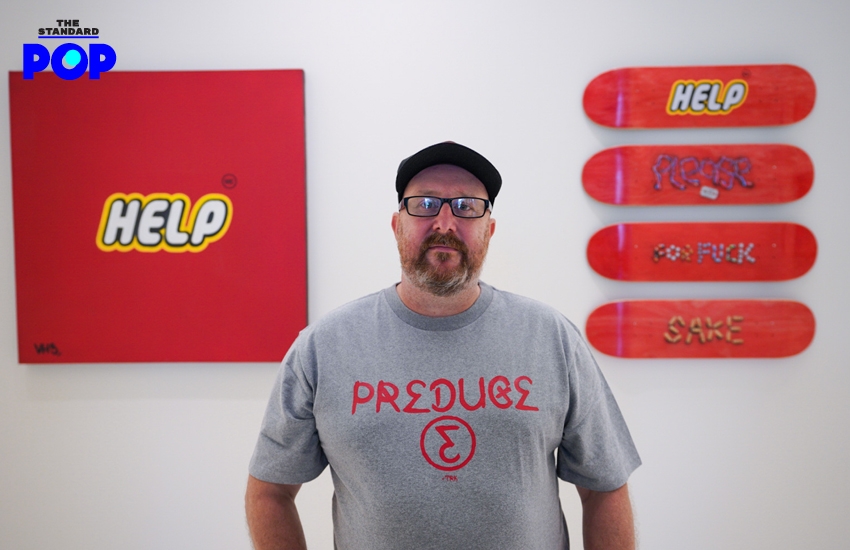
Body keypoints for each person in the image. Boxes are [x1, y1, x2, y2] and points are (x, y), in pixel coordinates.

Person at [245, 142, 641, 550]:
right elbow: (269, 491)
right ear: (397, 225)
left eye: (467, 207)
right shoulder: (323, 347)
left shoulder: (552, 338)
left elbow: (605, 486)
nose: (445, 223)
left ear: (489, 230)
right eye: (425, 204)